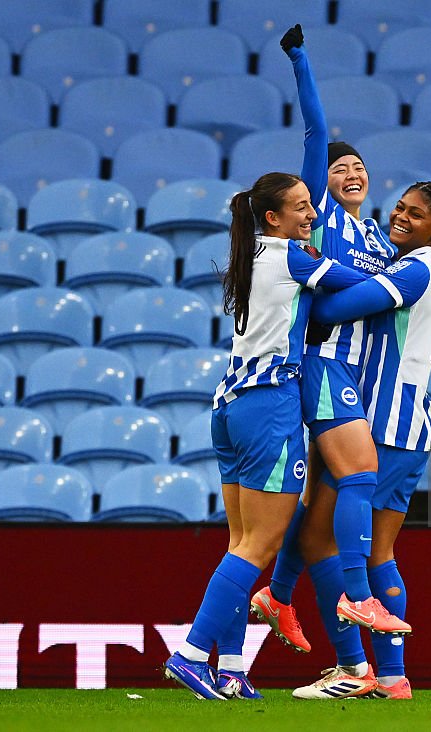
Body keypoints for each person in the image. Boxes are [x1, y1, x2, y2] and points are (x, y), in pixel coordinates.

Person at [267, 181, 431, 699]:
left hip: (384, 425)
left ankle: (352, 668)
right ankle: (392, 677)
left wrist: (314, 271)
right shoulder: (420, 268)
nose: (401, 216)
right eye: (400, 208)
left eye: (416, 214)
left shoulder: (416, 270)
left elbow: (327, 313)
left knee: (321, 542)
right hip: (409, 430)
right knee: (378, 552)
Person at [163, 171, 369, 701]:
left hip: (229, 402)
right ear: (273, 218)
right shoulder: (291, 256)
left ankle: (231, 668)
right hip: (270, 405)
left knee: (240, 544)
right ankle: (190, 655)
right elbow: (361, 286)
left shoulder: (249, 253)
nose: (312, 215)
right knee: (260, 546)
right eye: (301, 207)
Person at [249, 22, 408, 685]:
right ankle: (349, 603)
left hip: (358, 378)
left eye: (358, 165)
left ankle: (282, 599)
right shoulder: (321, 219)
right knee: (351, 484)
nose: (350, 171)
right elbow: (317, 132)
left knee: (317, 514)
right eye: (340, 168)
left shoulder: (378, 237)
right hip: (321, 364)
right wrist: (301, 59)